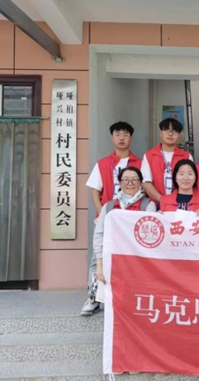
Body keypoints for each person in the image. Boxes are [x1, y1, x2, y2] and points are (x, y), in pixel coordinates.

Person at [81, 121, 142, 316]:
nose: (121, 138)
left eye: (125, 134)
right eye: (117, 134)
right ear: (112, 137)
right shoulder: (103, 164)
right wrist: (102, 213)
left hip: (131, 221)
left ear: (131, 137)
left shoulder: (141, 163)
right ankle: (93, 297)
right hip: (108, 217)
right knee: (97, 258)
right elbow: (95, 190)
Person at [92, 168, 156, 288]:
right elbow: (99, 234)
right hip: (112, 256)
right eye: (126, 180)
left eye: (134, 180)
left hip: (137, 258)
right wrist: (99, 265)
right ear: (120, 183)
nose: (130, 183)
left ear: (141, 183)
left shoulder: (148, 205)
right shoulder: (109, 206)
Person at [141, 118, 193, 203]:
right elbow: (146, 183)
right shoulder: (149, 155)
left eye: (174, 131)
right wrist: (163, 200)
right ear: (161, 133)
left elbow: (190, 182)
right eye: (166, 130)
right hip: (155, 203)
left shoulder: (186, 156)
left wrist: (174, 202)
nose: (170, 134)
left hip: (179, 203)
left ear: (179, 136)